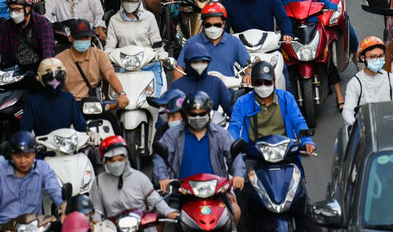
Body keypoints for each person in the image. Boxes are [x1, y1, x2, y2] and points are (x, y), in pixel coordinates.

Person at [228, 61, 316, 230]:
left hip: (286, 156)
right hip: (254, 157)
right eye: (258, 82)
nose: (263, 86)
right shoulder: (242, 103)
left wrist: (307, 141)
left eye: (267, 82)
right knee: (241, 195)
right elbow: (234, 127)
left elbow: (299, 122)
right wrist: (234, 147)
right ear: (252, 83)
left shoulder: (286, 98)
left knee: (305, 202)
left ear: (274, 80)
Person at [152, 92, 244, 224]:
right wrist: (162, 178)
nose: (198, 117)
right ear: (186, 114)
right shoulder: (172, 135)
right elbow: (160, 158)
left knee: (235, 213)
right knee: (164, 222)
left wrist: (238, 175)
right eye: (193, 114)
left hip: (215, 194)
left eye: (202, 114)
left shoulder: (220, 133)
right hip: (181, 194)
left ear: (208, 113)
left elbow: (234, 155)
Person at [273, 0, 344, 108]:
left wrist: (333, 6)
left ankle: (340, 95)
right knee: (285, 63)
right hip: (290, 28)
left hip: (312, 24)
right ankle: (285, 102)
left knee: (325, 59)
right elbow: (274, 5)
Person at [0, 131, 66, 232]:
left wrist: (65, 211)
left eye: (27, 156)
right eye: (18, 156)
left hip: (35, 226)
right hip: (4, 226)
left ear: (34, 154)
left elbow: (55, 190)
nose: (23, 161)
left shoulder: (43, 168)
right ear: (11, 155)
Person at [90, 135, 178, 222]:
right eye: (112, 160)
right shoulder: (98, 182)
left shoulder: (140, 178)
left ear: (126, 158)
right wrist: (95, 222)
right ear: (104, 161)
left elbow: (155, 200)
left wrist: (168, 211)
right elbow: (97, 211)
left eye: (120, 159)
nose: (117, 164)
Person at [105, 0, 167, 94]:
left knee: (156, 99)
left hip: (148, 64)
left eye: (133, 1)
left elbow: (157, 43)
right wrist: (106, 57)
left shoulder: (149, 17)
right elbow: (110, 46)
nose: (129, 4)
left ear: (139, 0)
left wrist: (162, 58)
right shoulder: (114, 20)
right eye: (126, 1)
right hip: (124, 66)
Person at [0, 0, 55, 72]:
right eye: (11, 9)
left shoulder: (42, 23)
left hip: (36, 70)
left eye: (17, 9)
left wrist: (45, 70)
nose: (13, 13)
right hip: (13, 71)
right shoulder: (6, 26)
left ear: (28, 9)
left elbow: (47, 49)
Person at [56, 19, 130, 107]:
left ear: (91, 38)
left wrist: (121, 93)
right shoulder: (59, 60)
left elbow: (110, 75)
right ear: (70, 38)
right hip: (70, 106)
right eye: (79, 38)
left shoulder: (99, 55)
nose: (83, 41)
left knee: (112, 121)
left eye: (86, 38)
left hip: (95, 105)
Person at [341, 37, 393, 126]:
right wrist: (357, 128)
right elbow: (347, 112)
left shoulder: (390, 79)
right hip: (366, 127)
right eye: (373, 57)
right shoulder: (355, 83)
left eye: (381, 56)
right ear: (363, 58)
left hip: (390, 126)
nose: (378, 59)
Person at [176, 3, 250, 82]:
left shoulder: (234, 42)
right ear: (203, 24)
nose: (212, 28)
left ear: (224, 24)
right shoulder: (192, 43)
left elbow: (248, 66)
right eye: (208, 25)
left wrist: (248, 75)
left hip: (228, 91)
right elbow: (179, 69)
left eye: (217, 25)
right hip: (199, 92)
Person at [20, 58, 88, 136]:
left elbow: (81, 126)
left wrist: (89, 133)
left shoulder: (69, 99)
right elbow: (25, 130)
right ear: (40, 78)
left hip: (67, 145)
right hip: (43, 146)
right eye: (50, 78)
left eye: (58, 77)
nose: (54, 82)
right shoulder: (33, 101)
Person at [169, 44, 233, 116]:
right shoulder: (177, 85)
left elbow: (230, 107)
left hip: (211, 125)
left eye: (203, 61)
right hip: (183, 126)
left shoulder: (216, 83)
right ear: (187, 62)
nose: (200, 65)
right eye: (195, 62)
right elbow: (166, 113)